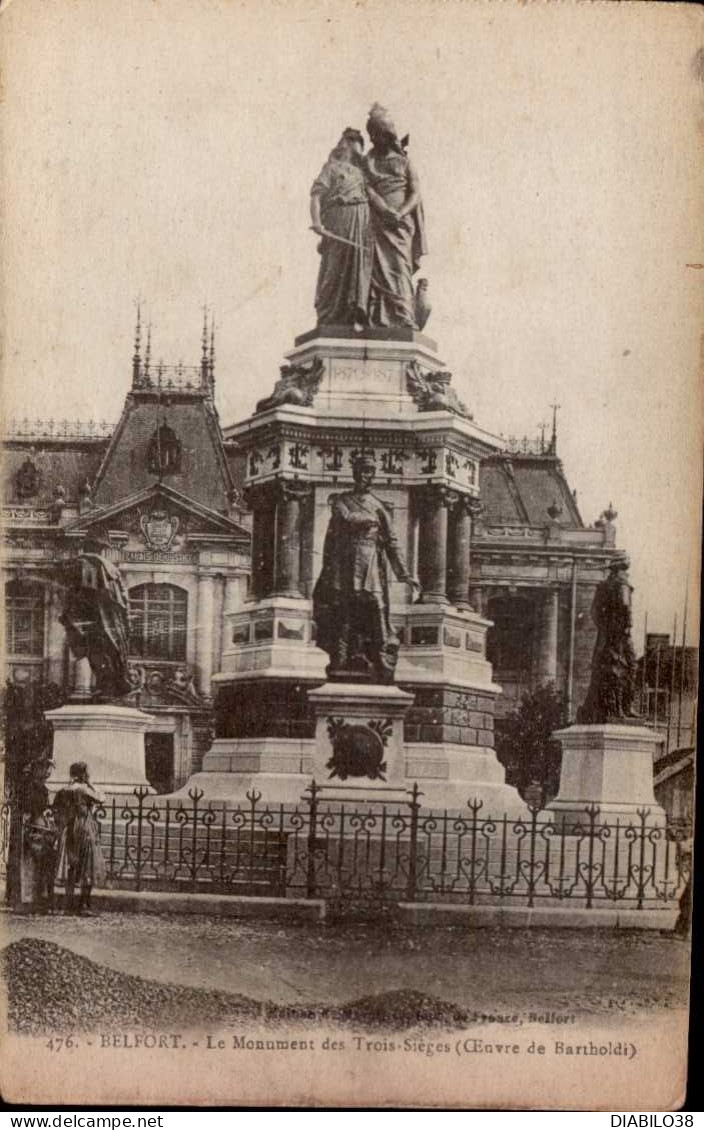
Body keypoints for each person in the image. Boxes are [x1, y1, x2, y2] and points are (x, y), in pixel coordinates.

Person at [313, 451, 420, 683]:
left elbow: (392, 543)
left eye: (370, 472)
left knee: (377, 607)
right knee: (344, 613)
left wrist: (405, 574)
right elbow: (346, 518)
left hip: (371, 562)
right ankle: (341, 660)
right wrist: (370, 521)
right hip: (346, 563)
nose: (366, 476)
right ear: (354, 473)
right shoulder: (341, 500)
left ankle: (382, 661)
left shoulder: (380, 506)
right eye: (362, 471)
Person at [362, 103, 428, 328]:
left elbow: (416, 193)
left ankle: (404, 316)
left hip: (401, 225)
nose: (374, 139)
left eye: (378, 134)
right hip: (376, 222)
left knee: (400, 268)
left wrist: (400, 213)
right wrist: (383, 209)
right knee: (375, 270)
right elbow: (366, 188)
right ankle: (376, 318)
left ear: (387, 135)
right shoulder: (367, 161)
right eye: (372, 134)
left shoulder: (405, 162)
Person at [310, 128, 372, 328]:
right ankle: (328, 314)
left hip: (360, 223)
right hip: (338, 222)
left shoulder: (362, 172)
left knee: (356, 268)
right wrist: (317, 222)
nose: (353, 146)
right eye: (350, 141)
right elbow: (316, 196)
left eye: (357, 142)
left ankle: (351, 314)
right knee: (334, 268)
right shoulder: (331, 168)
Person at [58, 544, 131, 699]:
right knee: (104, 654)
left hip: (96, 621)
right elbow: (122, 602)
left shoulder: (86, 564)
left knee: (96, 653)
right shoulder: (111, 570)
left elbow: (82, 594)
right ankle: (108, 686)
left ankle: (108, 687)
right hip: (108, 622)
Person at [578, 554, 638, 723]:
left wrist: (605, 627)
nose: (625, 573)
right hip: (618, 634)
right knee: (621, 667)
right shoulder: (617, 586)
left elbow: (595, 612)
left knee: (627, 666)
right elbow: (624, 608)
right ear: (616, 571)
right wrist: (616, 627)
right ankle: (621, 707)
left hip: (615, 633)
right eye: (623, 570)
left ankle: (625, 706)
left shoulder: (608, 586)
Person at [53, 761, 106, 916]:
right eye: (87, 773)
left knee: (72, 866)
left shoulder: (64, 790)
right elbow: (102, 798)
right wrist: (91, 784)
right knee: (86, 865)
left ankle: (69, 905)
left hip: (69, 829)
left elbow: (56, 809)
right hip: (84, 828)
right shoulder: (83, 789)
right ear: (83, 774)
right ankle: (84, 905)